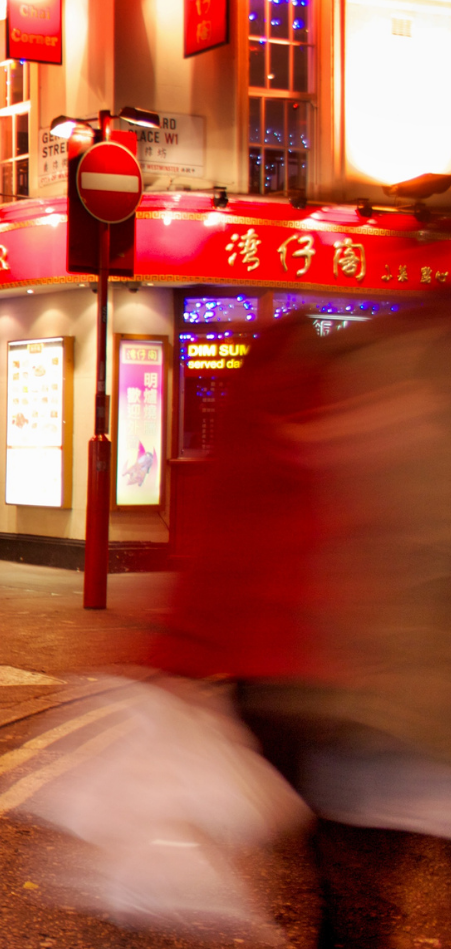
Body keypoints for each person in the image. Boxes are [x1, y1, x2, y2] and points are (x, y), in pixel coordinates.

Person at [151, 303, 451, 946]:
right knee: (359, 887)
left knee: (353, 893)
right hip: (355, 688)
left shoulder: (312, 363)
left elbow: (239, 527)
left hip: (321, 682)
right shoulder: (355, 363)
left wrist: (182, 650)